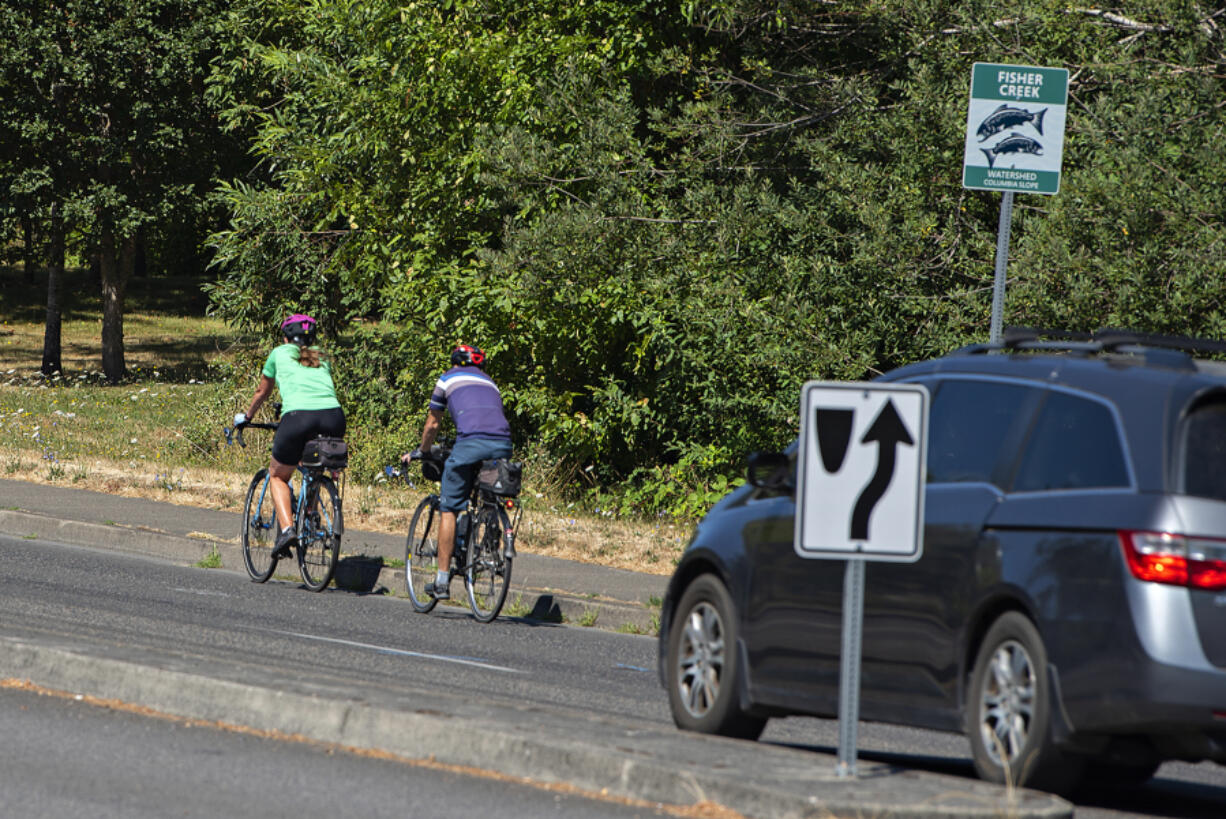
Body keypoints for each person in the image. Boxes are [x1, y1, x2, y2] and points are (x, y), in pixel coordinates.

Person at [403, 344, 512, 600]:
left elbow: (433, 422)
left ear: (455, 363)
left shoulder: (447, 378)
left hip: (471, 442)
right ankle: (490, 535)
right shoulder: (490, 383)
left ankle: (441, 581)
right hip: (503, 443)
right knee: (489, 492)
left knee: (450, 508)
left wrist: (423, 450)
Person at [234, 314, 346, 558]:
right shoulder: (320, 354)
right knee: (311, 467)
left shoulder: (279, 352)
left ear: (285, 337)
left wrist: (248, 416)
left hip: (298, 417)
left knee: (277, 476)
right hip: (334, 416)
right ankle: (311, 516)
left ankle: (286, 531)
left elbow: (263, 390)